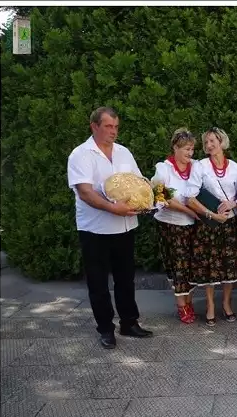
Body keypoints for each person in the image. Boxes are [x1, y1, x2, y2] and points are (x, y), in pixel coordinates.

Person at [67, 106, 152, 349]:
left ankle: (129, 322)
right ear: (94, 126)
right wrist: (112, 208)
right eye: (108, 126)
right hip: (95, 229)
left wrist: (149, 201)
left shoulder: (124, 152)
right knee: (98, 282)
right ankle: (105, 328)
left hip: (125, 227)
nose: (114, 131)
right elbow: (85, 192)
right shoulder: (81, 154)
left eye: (116, 126)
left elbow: (139, 183)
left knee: (126, 279)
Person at [186, 127, 237, 326]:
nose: (209, 145)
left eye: (213, 141)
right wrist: (212, 214)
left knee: (230, 265)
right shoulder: (200, 166)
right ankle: (210, 304)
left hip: (230, 224)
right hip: (208, 224)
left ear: (222, 142)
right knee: (209, 266)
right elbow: (190, 198)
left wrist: (232, 203)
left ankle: (227, 303)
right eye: (206, 142)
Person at [151, 128, 202, 324]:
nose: (190, 153)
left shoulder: (196, 167)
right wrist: (189, 211)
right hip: (171, 224)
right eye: (186, 149)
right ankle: (182, 305)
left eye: (192, 149)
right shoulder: (163, 169)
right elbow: (161, 196)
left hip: (193, 225)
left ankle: (189, 300)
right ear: (175, 148)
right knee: (179, 265)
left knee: (191, 266)